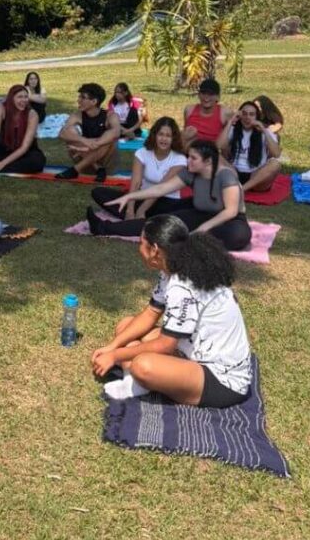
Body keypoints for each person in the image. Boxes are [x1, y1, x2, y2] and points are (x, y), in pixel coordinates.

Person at [89, 215, 253, 407]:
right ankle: (133, 382)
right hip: (191, 349)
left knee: (143, 365)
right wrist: (113, 346)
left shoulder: (182, 286)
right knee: (126, 326)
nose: (138, 248)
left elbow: (166, 345)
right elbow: (151, 312)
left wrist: (115, 355)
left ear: (154, 250)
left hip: (222, 380)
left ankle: (140, 381)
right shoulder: (171, 268)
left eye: (141, 243)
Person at [88, 140, 251, 251]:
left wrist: (203, 228)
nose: (188, 162)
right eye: (188, 157)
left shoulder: (226, 175)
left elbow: (231, 211)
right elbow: (161, 189)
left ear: (208, 161)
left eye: (193, 158)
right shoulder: (191, 173)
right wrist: (130, 197)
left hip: (228, 220)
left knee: (238, 236)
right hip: (200, 213)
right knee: (159, 224)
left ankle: (191, 238)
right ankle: (103, 227)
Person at [92, 116, 187, 219]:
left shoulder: (180, 159)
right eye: (161, 134)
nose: (164, 139)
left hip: (165, 201)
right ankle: (138, 217)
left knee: (172, 212)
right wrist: (130, 209)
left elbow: (161, 187)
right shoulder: (142, 153)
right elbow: (136, 183)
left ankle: (143, 217)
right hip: (141, 197)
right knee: (99, 192)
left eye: (168, 136)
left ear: (174, 138)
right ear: (155, 135)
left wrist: (142, 209)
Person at [56, 82, 121, 181]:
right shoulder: (77, 115)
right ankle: (98, 168)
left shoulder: (110, 116)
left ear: (94, 101)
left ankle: (75, 170)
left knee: (110, 139)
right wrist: (85, 141)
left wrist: (95, 143)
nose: (78, 100)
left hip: (107, 166)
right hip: (88, 167)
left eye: (82, 97)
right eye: (79, 97)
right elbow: (62, 133)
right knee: (69, 133)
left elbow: (116, 132)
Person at [219, 101, 283, 194]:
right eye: (244, 114)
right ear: (239, 116)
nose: (247, 117)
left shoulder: (265, 132)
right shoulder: (233, 129)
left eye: (251, 114)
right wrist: (230, 122)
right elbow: (218, 146)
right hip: (234, 174)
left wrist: (264, 131)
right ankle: (238, 187)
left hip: (257, 177)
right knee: (214, 155)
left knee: (275, 164)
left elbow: (276, 154)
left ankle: (241, 189)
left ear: (257, 117)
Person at [0, 84, 46, 175]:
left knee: (37, 161)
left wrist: (2, 164)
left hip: (26, 152)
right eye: (20, 97)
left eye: (26, 97)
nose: (24, 100)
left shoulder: (32, 115)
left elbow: (24, 147)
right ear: (11, 98)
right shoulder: (1, 109)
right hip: (5, 149)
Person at [181, 77, 232, 146]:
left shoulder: (225, 113)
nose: (206, 97)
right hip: (190, 151)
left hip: (212, 151)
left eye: (211, 94)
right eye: (203, 93)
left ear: (218, 97)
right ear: (199, 95)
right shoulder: (189, 110)